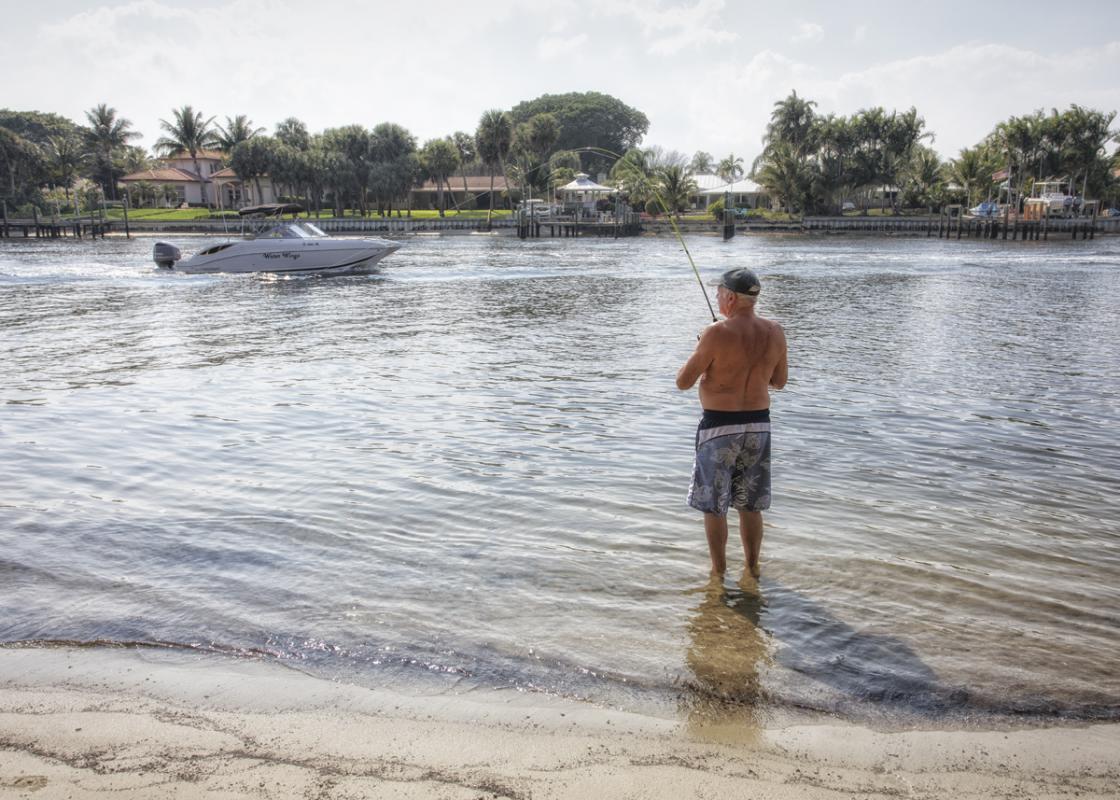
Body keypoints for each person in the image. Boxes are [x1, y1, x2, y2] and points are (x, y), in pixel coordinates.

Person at [676, 268, 788, 578]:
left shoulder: (716, 333)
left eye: (718, 294)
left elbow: (683, 382)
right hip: (759, 426)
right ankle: (752, 569)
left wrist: (704, 343)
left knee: (714, 505)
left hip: (719, 428)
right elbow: (780, 381)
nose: (717, 299)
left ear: (729, 296)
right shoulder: (776, 331)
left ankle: (718, 573)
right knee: (750, 505)